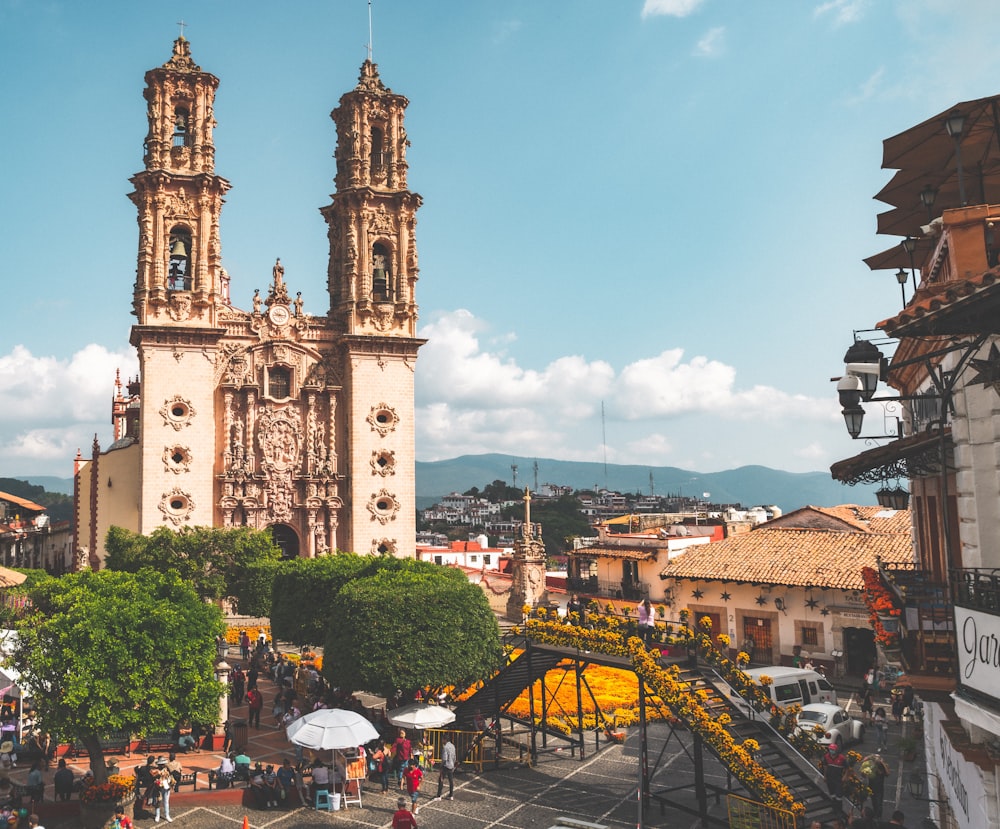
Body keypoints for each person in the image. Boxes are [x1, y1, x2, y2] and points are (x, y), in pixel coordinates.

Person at [860, 753, 889, 820]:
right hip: (872, 788)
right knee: (874, 802)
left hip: (879, 789)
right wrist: (867, 758)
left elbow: (887, 773)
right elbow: (863, 774)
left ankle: (878, 817)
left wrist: (883, 763)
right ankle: (876, 815)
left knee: (879, 804)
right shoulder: (870, 767)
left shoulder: (882, 767)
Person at [437, 736, 456, 800]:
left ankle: (438, 796)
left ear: (445, 740)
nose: (442, 741)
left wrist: (441, 765)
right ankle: (451, 795)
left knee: (441, 780)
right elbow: (454, 757)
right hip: (451, 765)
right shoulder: (453, 746)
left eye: (442, 739)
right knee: (451, 781)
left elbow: (444, 759)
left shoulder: (445, 748)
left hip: (445, 766)